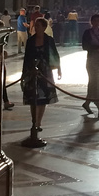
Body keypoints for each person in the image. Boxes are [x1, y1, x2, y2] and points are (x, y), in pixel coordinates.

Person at [21, 16, 61, 146]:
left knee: (43, 98)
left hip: (45, 72)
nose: (36, 27)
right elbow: (27, 57)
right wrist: (24, 73)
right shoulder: (31, 40)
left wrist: (59, 69)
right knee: (33, 98)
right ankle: (34, 122)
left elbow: (55, 54)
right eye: (35, 26)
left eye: (38, 26)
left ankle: (38, 122)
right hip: (32, 72)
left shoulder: (49, 40)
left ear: (44, 27)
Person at [81, 13, 99, 118]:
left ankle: (87, 103)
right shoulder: (87, 33)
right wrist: (97, 48)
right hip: (92, 60)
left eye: (98, 21)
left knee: (95, 83)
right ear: (91, 22)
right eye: (95, 21)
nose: (97, 23)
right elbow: (84, 46)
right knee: (96, 84)